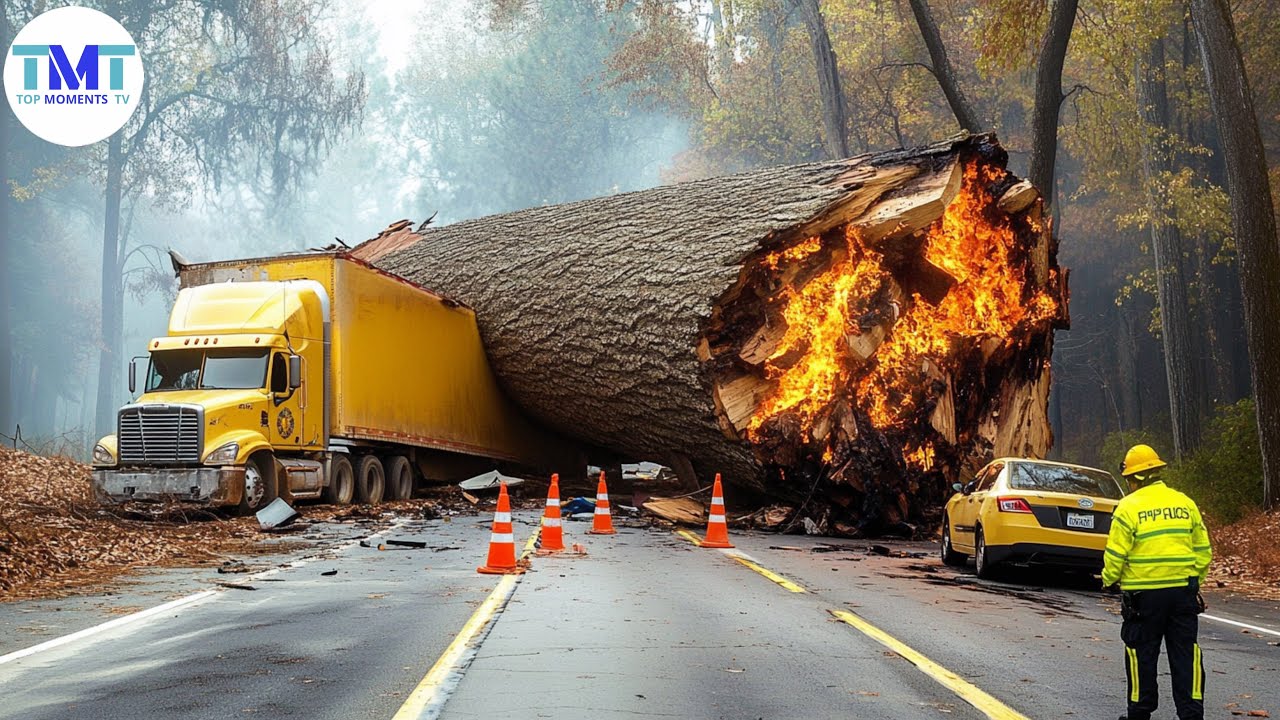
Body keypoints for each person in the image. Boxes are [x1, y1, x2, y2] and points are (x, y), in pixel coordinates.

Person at [1102, 444, 1212, 720]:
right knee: (1186, 653)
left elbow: (1116, 553)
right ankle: (1191, 713)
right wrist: (1193, 581)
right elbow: (1203, 550)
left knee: (1141, 653)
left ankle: (1139, 712)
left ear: (1135, 478)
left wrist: (1108, 580)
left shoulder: (1128, 507)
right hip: (1182, 594)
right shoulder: (1185, 503)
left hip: (1144, 598)